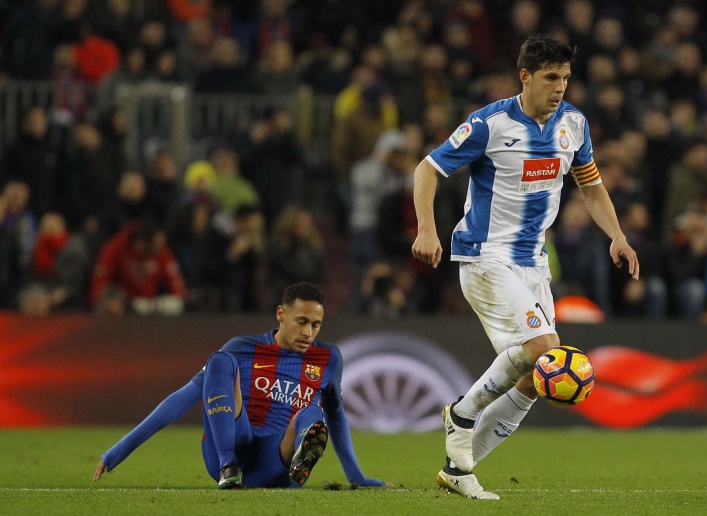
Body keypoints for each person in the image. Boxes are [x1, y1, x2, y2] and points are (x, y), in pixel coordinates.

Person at [411, 33, 639, 499]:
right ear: (526, 77)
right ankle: (461, 415)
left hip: (534, 263)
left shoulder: (574, 123)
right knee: (545, 347)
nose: (560, 87)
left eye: (566, 78)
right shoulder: (489, 124)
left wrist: (617, 235)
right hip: (485, 254)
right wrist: (427, 229)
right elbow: (427, 169)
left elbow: (591, 186)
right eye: (551, 77)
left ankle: (458, 468)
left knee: (536, 380)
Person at [93, 282, 387, 490]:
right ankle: (228, 466)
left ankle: (300, 460)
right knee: (220, 361)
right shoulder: (242, 348)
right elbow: (181, 400)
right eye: (301, 322)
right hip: (236, 442)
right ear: (281, 314)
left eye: (316, 324)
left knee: (313, 413)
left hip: (276, 457)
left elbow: (336, 415)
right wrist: (119, 450)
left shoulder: (328, 358)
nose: (308, 332)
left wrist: (357, 477)